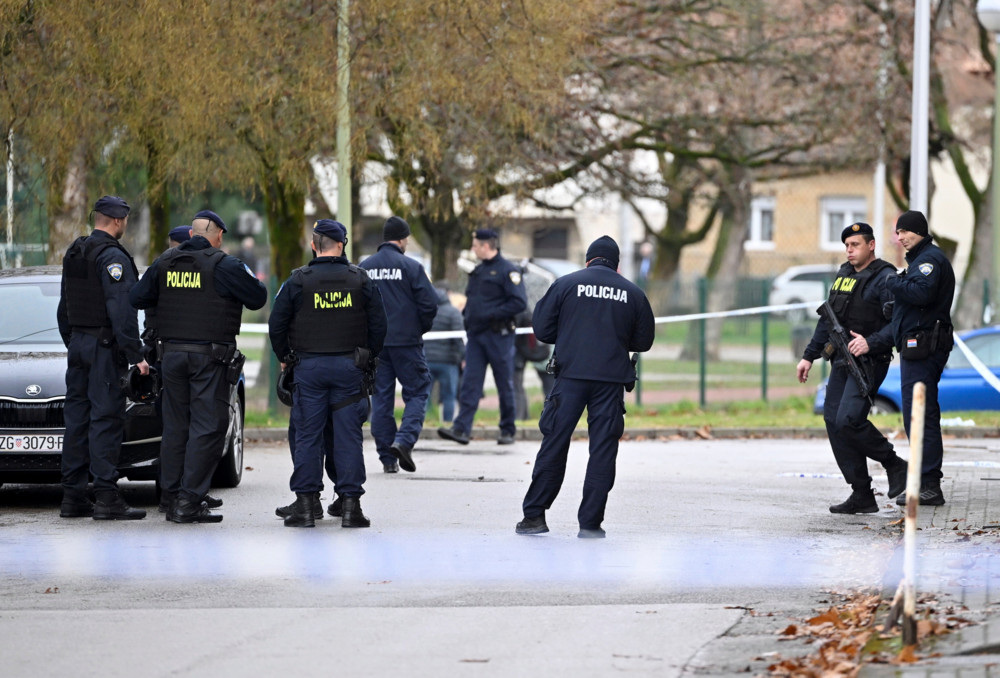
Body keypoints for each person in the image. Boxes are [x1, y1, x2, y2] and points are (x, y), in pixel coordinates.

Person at [129, 210, 267, 523]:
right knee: (209, 427)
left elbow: (137, 297)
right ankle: (189, 500)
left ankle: (170, 496)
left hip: (171, 357)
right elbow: (258, 297)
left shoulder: (165, 262)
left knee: (176, 427)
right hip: (209, 359)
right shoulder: (224, 264)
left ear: (191, 235)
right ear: (218, 236)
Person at [516, 236, 655, 538]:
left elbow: (542, 329)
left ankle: (534, 516)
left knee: (555, 442)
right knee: (603, 450)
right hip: (611, 381)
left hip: (570, 377)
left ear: (588, 260)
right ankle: (590, 524)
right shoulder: (633, 293)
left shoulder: (566, 284)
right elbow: (644, 341)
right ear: (616, 264)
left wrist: (571, 332)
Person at [268, 219, 387, 528]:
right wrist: (368, 357)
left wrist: (285, 358)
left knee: (308, 436)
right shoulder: (360, 280)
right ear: (342, 245)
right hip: (349, 368)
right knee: (348, 437)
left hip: (309, 369)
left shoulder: (298, 281)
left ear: (313, 245)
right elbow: (379, 324)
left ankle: (306, 506)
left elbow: (276, 324)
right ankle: (351, 507)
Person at [796, 222, 908, 514]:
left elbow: (899, 324)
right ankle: (862, 494)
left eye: (855, 244)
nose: (849, 250)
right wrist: (809, 356)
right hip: (841, 359)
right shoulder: (844, 274)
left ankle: (895, 464)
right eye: (846, 245)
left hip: (870, 361)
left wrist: (871, 342)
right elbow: (828, 319)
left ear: (871, 245)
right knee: (833, 421)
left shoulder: (885, 278)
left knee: (848, 419)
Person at [56, 195, 150, 520]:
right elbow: (122, 312)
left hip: (79, 345)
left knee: (76, 421)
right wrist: (136, 355)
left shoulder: (75, 251)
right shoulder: (112, 257)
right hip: (103, 348)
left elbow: (64, 308)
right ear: (118, 221)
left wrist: (74, 341)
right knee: (105, 420)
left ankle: (73, 497)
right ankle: (107, 498)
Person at [885, 210, 955, 507]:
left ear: (919, 232)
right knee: (918, 414)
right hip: (917, 347)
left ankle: (928, 485)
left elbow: (922, 293)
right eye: (898, 232)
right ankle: (923, 481)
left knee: (921, 415)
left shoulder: (929, 260)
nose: (900, 237)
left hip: (924, 347)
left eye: (905, 231)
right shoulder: (919, 261)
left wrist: (893, 283)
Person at [358, 216, 437, 473]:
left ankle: (387, 459)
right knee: (417, 391)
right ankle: (404, 441)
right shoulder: (411, 267)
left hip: (376, 345)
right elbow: (430, 304)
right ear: (402, 239)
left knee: (381, 398)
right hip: (407, 343)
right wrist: (418, 329)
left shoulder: (365, 267)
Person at [438, 228, 527, 445]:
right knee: (470, 383)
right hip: (477, 336)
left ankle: (508, 430)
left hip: (498, 336)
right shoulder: (478, 271)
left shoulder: (508, 270)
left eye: (475, 245)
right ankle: (461, 429)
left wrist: (491, 313)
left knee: (504, 384)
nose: (473, 248)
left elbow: (519, 302)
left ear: (486, 246)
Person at [424, 285, 465, 423]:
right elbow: (458, 338)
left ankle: (423, 421)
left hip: (427, 360)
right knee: (449, 396)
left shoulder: (426, 312)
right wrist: (464, 356)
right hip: (448, 362)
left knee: (423, 394)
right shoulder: (453, 313)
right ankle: (447, 422)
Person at [513, 308, 553, 420]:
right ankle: (524, 417)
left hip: (545, 358)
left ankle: (522, 417)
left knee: (550, 391)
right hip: (542, 356)